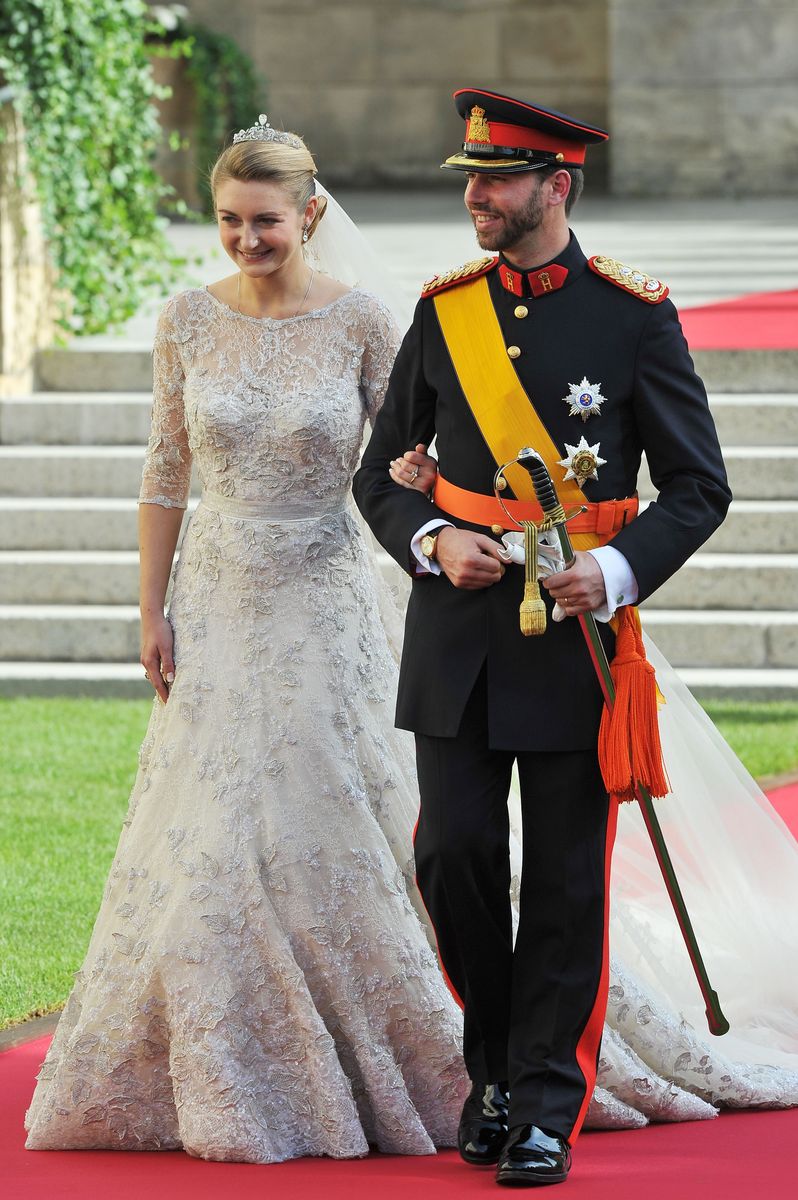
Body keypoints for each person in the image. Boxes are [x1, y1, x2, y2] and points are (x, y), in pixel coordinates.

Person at [353, 87, 798, 1186]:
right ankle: (494, 1061)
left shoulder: (634, 316)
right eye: (471, 180)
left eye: (497, 181)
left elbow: (700, 488)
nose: (477, 198)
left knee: (563, 881)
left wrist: (612, 568)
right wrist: (430, 538)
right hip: (457, 631)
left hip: (576, 641)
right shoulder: (445, 310)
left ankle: (546, 1098)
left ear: (560, 185)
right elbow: (381, 473)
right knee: (452, 856)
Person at [24, 116, 467, 1163]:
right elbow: (164, 473)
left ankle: (377, 1054)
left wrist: (427, 506)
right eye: (228, 220)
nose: (245, 238)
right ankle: (216, 1060)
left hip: (320, 590)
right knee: (210, 831)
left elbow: (405, 459)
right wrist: (150, 609)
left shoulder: (365, 322)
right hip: (216, 594)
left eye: (264, 220)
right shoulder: (185, 319)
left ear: (310, 214)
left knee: (326, 810)